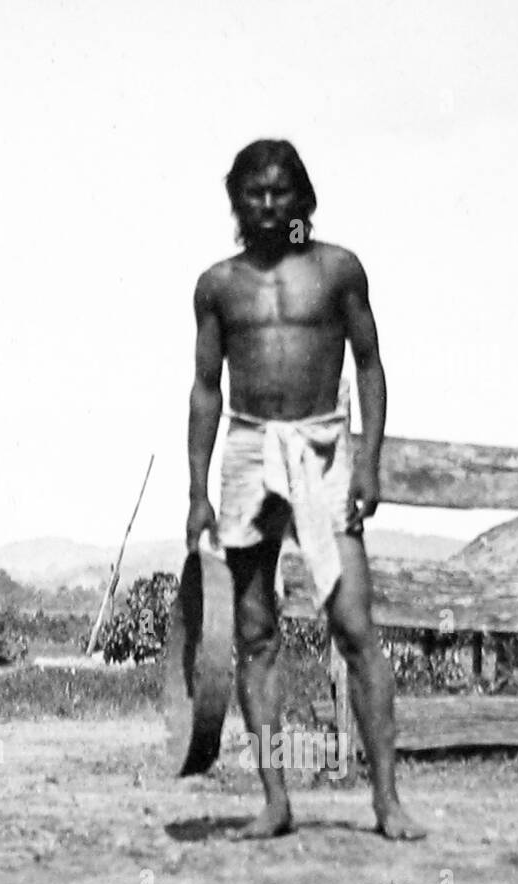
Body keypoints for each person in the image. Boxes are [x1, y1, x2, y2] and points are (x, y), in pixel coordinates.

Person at [186, 138, 425, 841]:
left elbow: (372, 365)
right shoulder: (218, 285)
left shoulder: (337, 270)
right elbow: (205, 389)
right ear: (237, 201)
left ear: (303, 197)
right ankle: (275, 799)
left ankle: (387, 801)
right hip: (248, 445)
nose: (267, 204)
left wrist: (368, 461)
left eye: (280, 191)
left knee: (355, 625)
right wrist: (198, 490)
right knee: (256, 634)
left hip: (322, 446)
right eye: (253, 193)